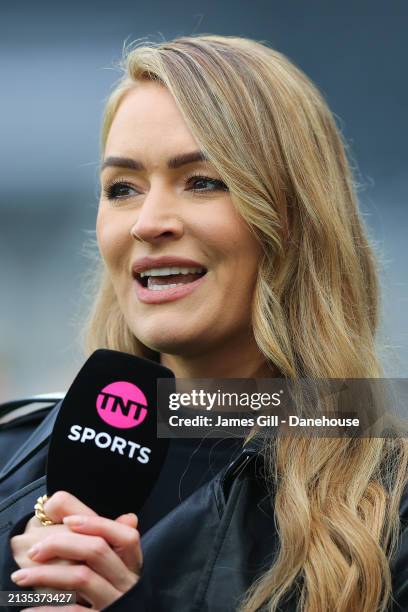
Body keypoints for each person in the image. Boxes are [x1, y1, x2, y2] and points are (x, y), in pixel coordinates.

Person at [2, 34, 408, 612]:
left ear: (292, 219)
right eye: (122, 188)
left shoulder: (392, 504)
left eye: (202, 181)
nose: (148, 222)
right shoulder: (13, 460)